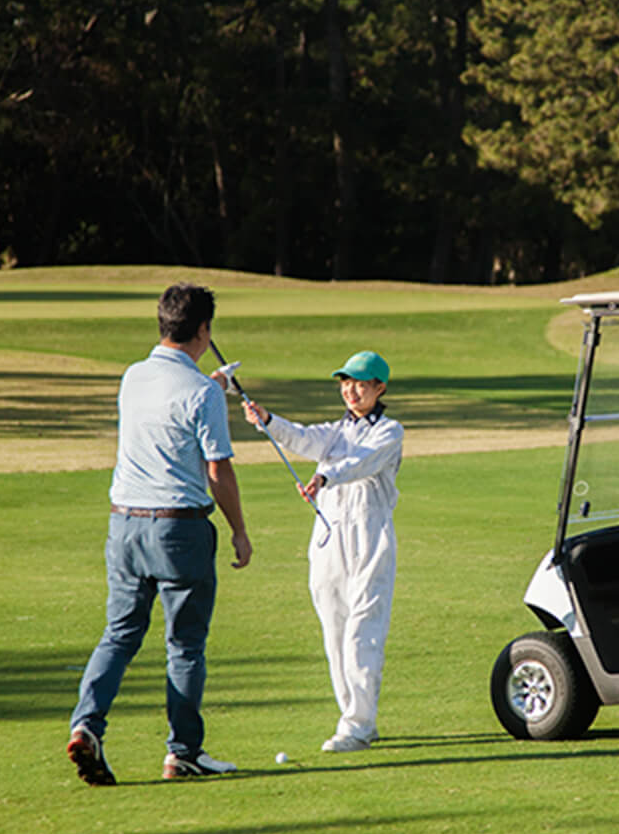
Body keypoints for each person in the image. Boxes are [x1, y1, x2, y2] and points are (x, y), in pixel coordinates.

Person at [67, 283, 253, 785]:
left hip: (125, 525)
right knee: (186, 645)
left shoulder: (134, 376)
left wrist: (208, 385)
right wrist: (239, 530)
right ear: (203, 330)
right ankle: (183, 752)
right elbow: (218, 471)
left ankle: (86, 724)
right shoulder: (203, 393)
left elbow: (171, 407)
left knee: (120, 634)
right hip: (179, 531)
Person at [239, 350, 402, 753]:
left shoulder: (390, 431)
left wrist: (324, 475)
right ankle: (355, 717)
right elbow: (302, 437)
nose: (351, 390)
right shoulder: (334, 430)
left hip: (369, 538)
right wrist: (269, 421)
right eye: (346, 382)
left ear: (379, 388)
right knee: (335, 632)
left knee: (362, 634)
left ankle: (358, 725)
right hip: (328, 540)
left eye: (361, 383)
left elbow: (361, 463)